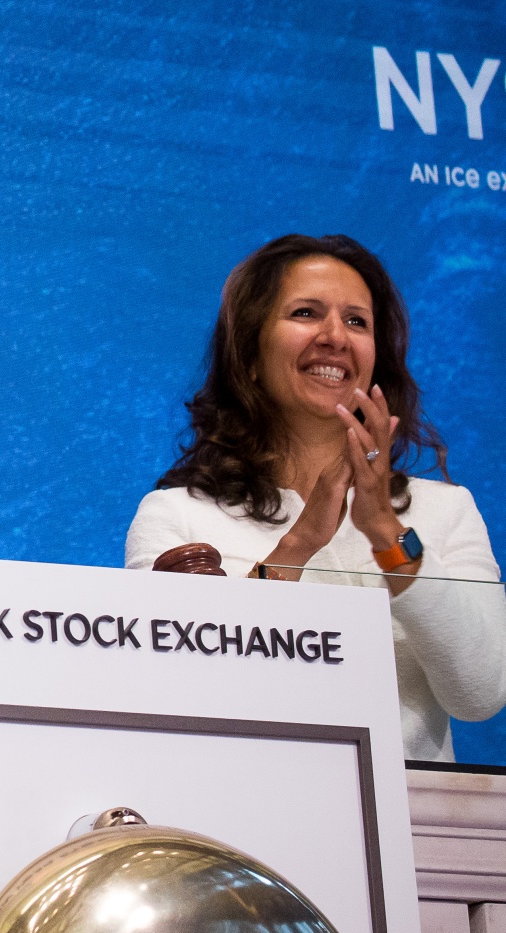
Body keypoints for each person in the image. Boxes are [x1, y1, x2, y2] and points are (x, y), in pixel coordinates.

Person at [126, 234, 506, 761]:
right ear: (251, 358)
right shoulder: (179, 516)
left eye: (357, 322)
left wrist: (389, 538)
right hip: (236, 815)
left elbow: (480, 693)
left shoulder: (444, 511)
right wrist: (299, 544)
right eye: (306, 313)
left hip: (413, 827)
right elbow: (177, 692)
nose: (335, 337)